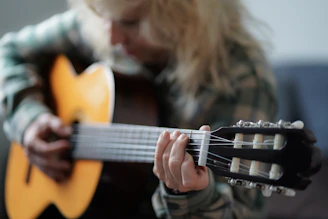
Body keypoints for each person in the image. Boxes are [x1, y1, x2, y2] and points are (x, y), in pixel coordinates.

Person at [0, 0, 277, 218]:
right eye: (100, 14)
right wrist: (29, 121)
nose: (111, 38)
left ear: (180, 13)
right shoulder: (106, 18)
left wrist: (192, 195)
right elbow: (9, 51)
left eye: (130, 23)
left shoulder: (241, 78)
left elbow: (242, 212)